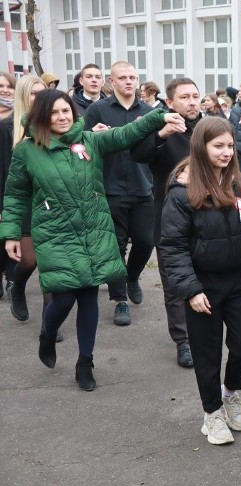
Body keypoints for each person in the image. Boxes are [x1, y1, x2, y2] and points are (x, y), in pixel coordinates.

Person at [0, 89, 183, 391]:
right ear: (41, 117)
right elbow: (16, 194)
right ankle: (48, 333)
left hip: (93, 229)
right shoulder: (27, 151)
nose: (62, 117)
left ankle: (85, 361)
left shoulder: (89, 141)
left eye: (66, 111)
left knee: (87, 295)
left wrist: (159, 115)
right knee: (64, 296)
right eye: (54, 113)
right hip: (55, 232)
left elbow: (126, 134)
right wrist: (9, 234)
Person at [159, 117, 241, 445]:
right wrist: (190, 290)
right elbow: (172, 247)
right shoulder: (182, 192)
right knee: (207, 356)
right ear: (201, 147)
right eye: (218, 146)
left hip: (238, 281)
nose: (226, 152)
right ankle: (212, 413)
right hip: (202, 286)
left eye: (230, 146)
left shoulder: (236, 184)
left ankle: (230, 393)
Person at [130, 77, 204, 368]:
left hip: (207, 218)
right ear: (170, 102)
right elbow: (138, 155)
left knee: (204, 277)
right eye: (184, 97)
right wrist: (160, 134)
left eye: (195, 96)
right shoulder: (161, 128)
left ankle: (202, 331)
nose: (191, 101)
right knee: (174, 282)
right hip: (169, 217)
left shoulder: (208, 128)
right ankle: (183, 341)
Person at [85, 61, 156, 327]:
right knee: (115, 246)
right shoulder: (97, 110)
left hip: (142, 187)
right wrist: (93, 135)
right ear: (111, 82)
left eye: (133, 77)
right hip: (110, 188)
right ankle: (119, 299)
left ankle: (133, 276)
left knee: (146, 240)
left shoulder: (148, 112)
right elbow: (81, 143)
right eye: (123, 78)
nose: (129, 82)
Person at [2, 75, 44, 322]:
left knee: (52, 262)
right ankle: (17, 287)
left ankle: (50, 320)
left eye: (42, 93)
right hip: (22, 203)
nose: (39, 99)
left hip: (50, 203)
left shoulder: (52, 126)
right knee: (29, 260)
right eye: (34, 94)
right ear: (22, 96)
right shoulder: (7, 128)